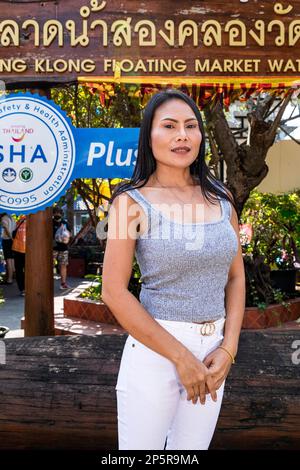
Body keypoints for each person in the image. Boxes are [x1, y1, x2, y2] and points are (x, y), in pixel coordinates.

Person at [102, 89, 246, 450]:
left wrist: (228, 348)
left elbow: (235, 276)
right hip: (156, 354)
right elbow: (113, 292)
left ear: (201, 136)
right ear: (149, 137)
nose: (182, 135)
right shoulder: (130, 203)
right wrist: (182, 358)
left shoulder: (221, 198)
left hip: (213, 355)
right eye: (169, 126)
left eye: (190, 126)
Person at [52, 206, 72, 290]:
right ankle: (48, 283)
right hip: (53, 248)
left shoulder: (65, 223)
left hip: (63, 248)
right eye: (56, 213)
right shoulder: (50, 223)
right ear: (53, 214)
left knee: (63, 265)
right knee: (50, 265)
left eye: (59, 213)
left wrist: (66, 238)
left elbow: (69, 234)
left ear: (61, 214)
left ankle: (63, 283)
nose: (57, 215)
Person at [12, 215, 26, 296]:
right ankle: (26, 288)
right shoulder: (32, 222)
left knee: (19, 271)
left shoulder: (19, 221)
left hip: (17, 249)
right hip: (27, 250)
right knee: (27, 270)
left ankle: (22, 289)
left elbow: (13, 234)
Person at [0, 213, 16, 284]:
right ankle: (12, 276)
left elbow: (6, 229)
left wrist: (10, 238)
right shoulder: (12, 218)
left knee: (8, 260)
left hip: (7, 240)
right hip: (12, 240)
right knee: (12, 259)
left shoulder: (3, 219)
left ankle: (9, 279)